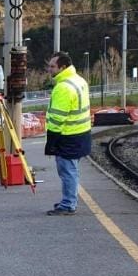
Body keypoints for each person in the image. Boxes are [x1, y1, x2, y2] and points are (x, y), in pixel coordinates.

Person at [43, 52, 92, 215]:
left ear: (62, 67)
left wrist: (51, 143)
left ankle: (68, 204)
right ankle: (69, 200)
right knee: (72, 170)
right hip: (81, 133)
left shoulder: (63, 87)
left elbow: (57, 119)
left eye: (52, 66)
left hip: (68, 135)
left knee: (67, 171)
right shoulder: (79, 80)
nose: (49, 69)